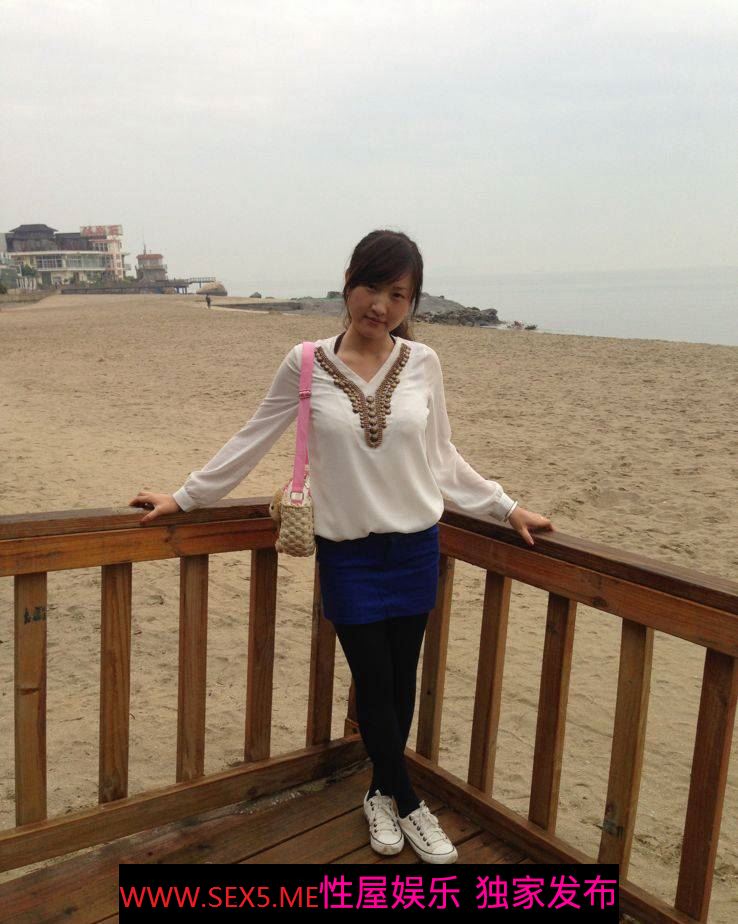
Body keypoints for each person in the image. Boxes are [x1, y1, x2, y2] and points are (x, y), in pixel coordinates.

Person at [128, 229, 553, 865]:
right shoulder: (305, 363)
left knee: (401, 681)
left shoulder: (424, 363)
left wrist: (505, 506)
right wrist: (186, 497)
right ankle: (408, 800)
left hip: (415, 547)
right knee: (374, 681)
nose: (380, 305)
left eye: (397, 294)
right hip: (348, 554)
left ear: (412, 302)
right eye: (371, 287)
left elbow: (442, 456)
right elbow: (252, 437)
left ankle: (381, 793)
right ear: (348, 283)